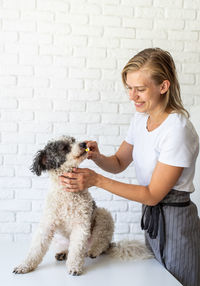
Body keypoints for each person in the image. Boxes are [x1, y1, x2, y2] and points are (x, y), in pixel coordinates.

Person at [60, 48, 200, 286]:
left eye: (140, 89)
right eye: (129, 88)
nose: (132, 96)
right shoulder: (140, 119)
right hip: (154, 217)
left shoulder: (177, 129)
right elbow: (118, 163)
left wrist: (96, 180)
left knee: (179, 281)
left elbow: (153, 195)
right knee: (157, 279)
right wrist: (97, 156)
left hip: (175, 221)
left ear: (163, 86)